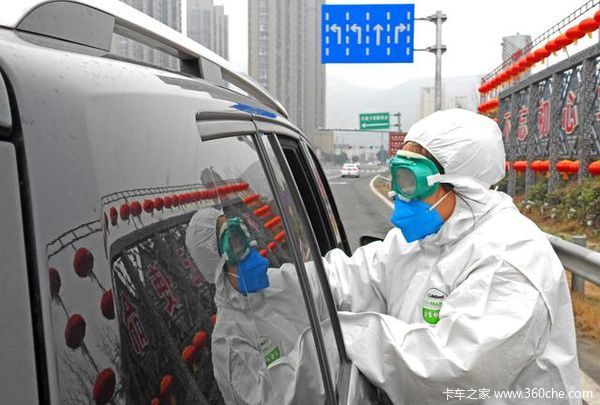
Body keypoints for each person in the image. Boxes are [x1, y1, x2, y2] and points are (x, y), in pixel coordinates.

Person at [319, 108, 581, 404]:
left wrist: (342, 334)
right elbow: (345, 278)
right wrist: (282, 285)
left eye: (409, 180)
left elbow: (452, 369)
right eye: (396, 176)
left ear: (460, 183)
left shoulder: (510, 257)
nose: (398, 194)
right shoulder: (420, 241)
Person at [185, 206, 339, 405]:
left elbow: (330, 280)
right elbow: (287, 397)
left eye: (243, 235)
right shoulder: (231, 344)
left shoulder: (278, 282)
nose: (250, 248)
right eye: (235, 243)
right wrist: (338, 342)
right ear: (217, 266)